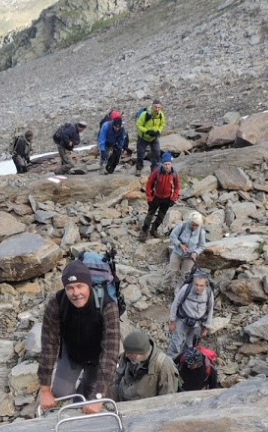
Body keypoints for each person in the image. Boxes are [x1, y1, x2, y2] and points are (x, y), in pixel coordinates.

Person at [38, 260, 120, 414]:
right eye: (70, 288)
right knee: (60, 393)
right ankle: (77, 399)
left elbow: (110, 351)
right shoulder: (57, 303)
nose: (76, 293)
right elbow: (49, 345)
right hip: (71, 354)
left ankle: (82, 399)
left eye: (80, 286)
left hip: (98, 358)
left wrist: (99, 396)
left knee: (92, 393)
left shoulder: (107, 305)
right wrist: (44, 390)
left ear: (88, 284)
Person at [110, 330, 180, 402]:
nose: (127, 355)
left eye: (131, 353)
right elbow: (116, 379)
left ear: (142, 352)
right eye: (127, 352)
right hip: (121, 399)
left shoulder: (163, 365)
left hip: (144, 408)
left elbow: (167, 399)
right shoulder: (128, 356)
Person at [167, 269, 214, 358]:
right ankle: (169, 363)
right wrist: (172, 321)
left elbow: (210, 310)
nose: (198, 288)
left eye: (201, 285)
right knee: (175, 344)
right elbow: (175, 304)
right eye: (196, 284)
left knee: (190, 345)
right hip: (182, 320)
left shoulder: (208, 293)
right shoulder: (186, 289)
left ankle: (184, 362)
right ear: (193, 282)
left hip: (197, 324)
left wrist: (206, 327)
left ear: (205, 285)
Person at [140, 152, 180, 241]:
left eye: (169, 164)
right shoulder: (157, 171)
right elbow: (149, 184)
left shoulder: (174, 174)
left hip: (167, 199)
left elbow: (177, 187)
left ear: (171, 164)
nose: (167, 166)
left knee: (161, 216)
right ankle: (144, 231)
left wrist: (173, 199)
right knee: (150, 215)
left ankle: (154, 229)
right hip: (156, 197)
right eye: (165, 164)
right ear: (162, 164)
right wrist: (149, 198)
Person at [164, 211, 207, 291]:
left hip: (189, 256)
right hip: (177, 252)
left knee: (185, 274)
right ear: (190, 221)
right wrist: (179, 244)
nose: (194, 227)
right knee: (172, 271)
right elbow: (173, 236)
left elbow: (202, 245)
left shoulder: (201, 232)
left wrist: (196, 252)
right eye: (192, 224)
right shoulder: (182, 226)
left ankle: (178, 290)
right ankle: (164, 285)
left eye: (196, 225)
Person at [135, 99, 166, 177]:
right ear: (152, 107)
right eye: (155, 107)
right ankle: (138, 169)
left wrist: (158, 131)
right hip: (143, 137)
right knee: (140, 153)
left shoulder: (161, 115)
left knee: (156, 152)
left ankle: (154, 169)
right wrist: (147, 131)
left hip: (154, 137)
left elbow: (162, 124)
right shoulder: (145, 114)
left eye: (159, 107)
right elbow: (138, 125)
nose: (157, 109)